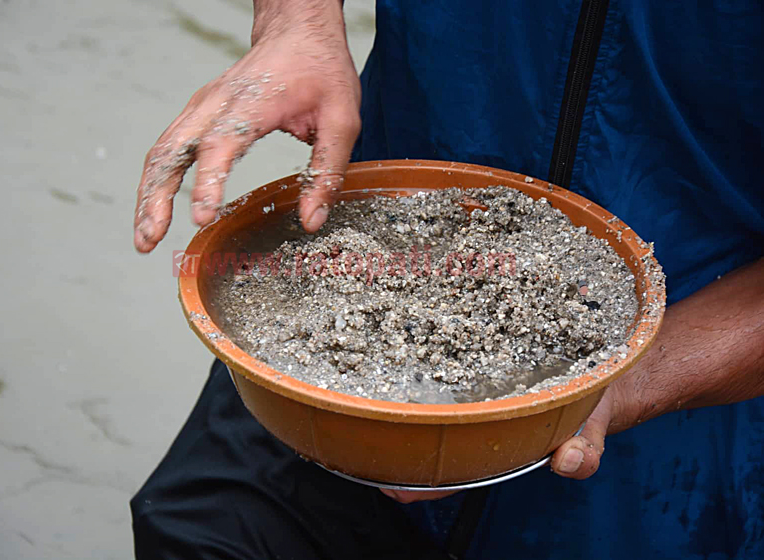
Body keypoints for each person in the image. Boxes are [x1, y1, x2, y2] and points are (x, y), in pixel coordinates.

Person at [131, 0, 764, 557]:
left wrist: (624, 385)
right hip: (341, 293)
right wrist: (297, 21)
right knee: (198, 532)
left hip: (667, 420)